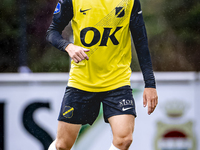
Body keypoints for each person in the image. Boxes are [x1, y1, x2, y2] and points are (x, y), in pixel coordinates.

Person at [46, 0, 158, 149]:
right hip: (82, 82)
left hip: (117, 81)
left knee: (124, 139)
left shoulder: (129, 1)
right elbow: (52, 32)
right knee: (63, 145)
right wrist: (68, 46)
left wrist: (150, 84)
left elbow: (141, 40)